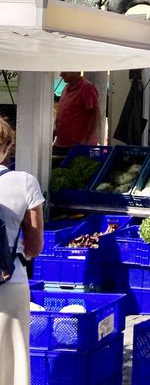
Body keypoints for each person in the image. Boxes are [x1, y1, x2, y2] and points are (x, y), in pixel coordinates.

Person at [0, 117, 44, 385]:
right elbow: (35, 245)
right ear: (7, 146)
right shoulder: (24, 182)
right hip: (9, 280)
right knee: (14, 363)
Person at [53, 71, 100, 151]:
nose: (61, 74)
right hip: (62, 143)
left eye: (65, 71)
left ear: (76, 71)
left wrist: (87, 138)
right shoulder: (66, 88)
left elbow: (95, 114)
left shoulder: (87, 88)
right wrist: (56, 131)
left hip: (79, 145)